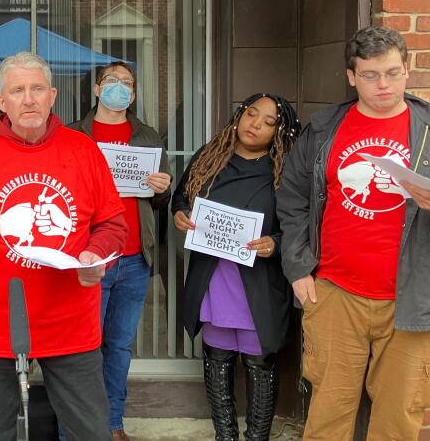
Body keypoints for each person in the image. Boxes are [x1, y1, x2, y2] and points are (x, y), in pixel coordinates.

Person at [0, 52, 128, 441]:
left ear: (52, 95)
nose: (29, 99)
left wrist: (96, 253)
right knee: (1, 434)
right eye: (17, 91)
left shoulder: (83, 150)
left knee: (91, 432)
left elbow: (112, 223)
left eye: (37, 89)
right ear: (1, 103)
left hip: (72, 323)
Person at [278, 26, 430, 440]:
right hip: (334, 292)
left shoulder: (428, 129)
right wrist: (297, 268)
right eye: (371, 75)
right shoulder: (325, 128)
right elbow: (292, 201)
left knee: (399, 415)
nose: (384, 84)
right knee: (328, 410)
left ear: (407, 69)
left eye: (394, 73)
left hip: (411, 298)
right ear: (351, 76)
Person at [172, 94, 300, 441]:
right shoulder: (210, 157)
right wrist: (181, 214)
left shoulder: (287, 169)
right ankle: (224, 435)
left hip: (258, 282)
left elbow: (303, 224)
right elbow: (182, 196)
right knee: (217, 356)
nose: (254, 124)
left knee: (259, 362)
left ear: (280, 132)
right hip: (214, 277)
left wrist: (275, 243)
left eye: (268, 121)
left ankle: (256, 437)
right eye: (250, 114)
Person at [69, 61, 171, 441]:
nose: (119, 88)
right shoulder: (74, 135)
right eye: (111, 81)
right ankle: (84, 424)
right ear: (96, 90)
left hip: (133, 259)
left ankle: (112, 423)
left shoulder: (147, 137)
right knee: (83, 347)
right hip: (89, 258)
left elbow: (159, 204)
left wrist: (162, 189)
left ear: (135, 94)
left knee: (119, 347)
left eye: (126, 83)